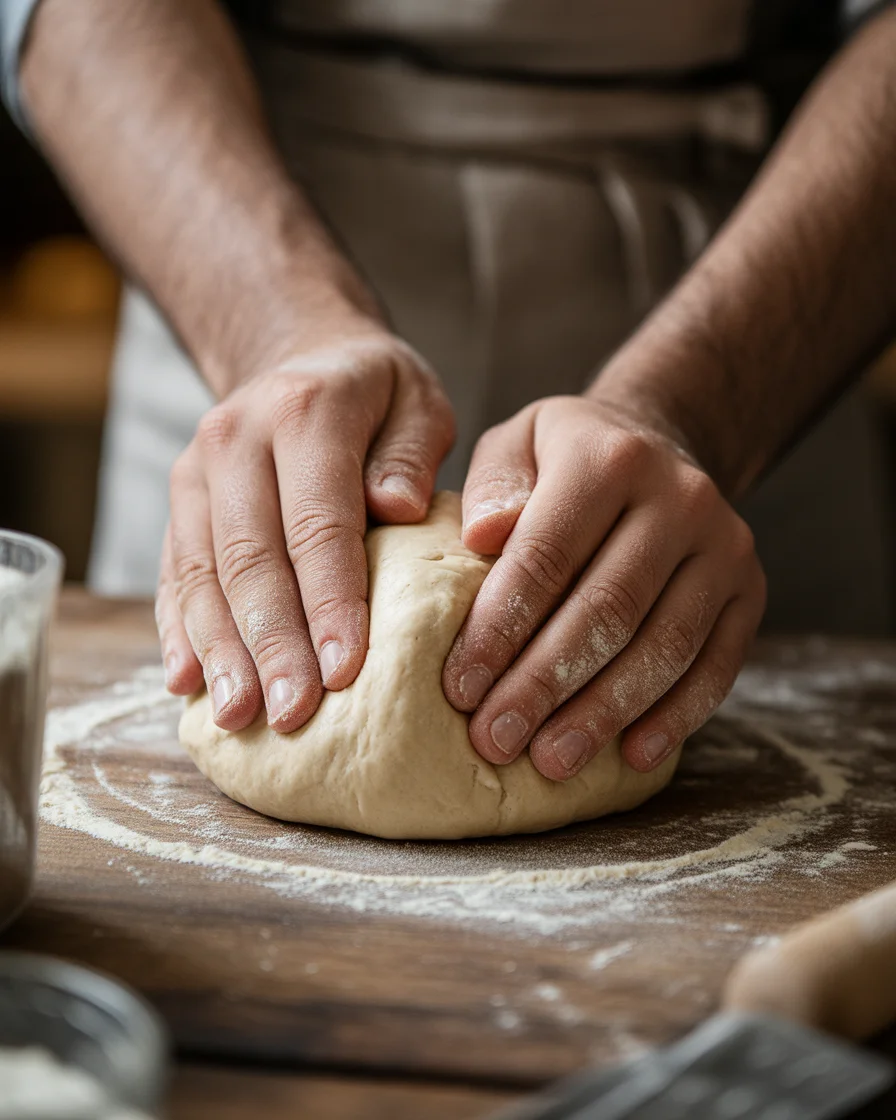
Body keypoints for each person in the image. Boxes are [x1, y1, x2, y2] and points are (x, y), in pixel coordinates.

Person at [2, 1, 895, 785]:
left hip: (761, 282)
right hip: (232, 243)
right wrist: (277, 328)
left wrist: (691, 410)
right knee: (249, 664)